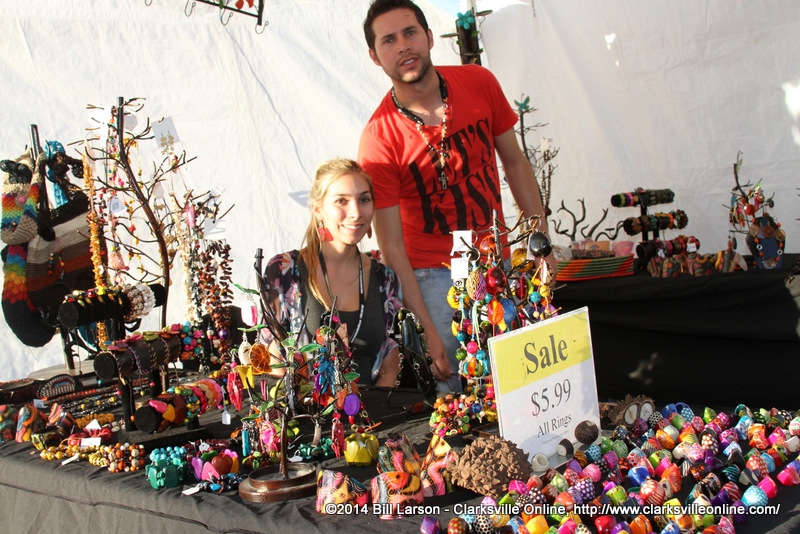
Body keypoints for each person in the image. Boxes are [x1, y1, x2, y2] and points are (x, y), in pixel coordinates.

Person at [358, 0, 555, 393]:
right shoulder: (379, 139)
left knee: (518, 383)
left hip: (497, 260)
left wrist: (541, 245)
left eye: (410, 32)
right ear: (375, 56)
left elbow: (515, 163)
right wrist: (426, 329)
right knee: (457, 395)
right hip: (432, 276)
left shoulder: (479, 82)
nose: (403, 45)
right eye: (388, 40)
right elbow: (391, 246)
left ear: (430, 37)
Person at [260, 158, 403, 387]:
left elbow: (391, 360)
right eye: (341, 201)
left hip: (373, 406)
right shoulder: (284, 271)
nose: (356, 212)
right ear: (318, 209)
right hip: (304, 405)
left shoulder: (385, 279)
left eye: (364, 199)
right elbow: (272, 357)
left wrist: (371, 405)